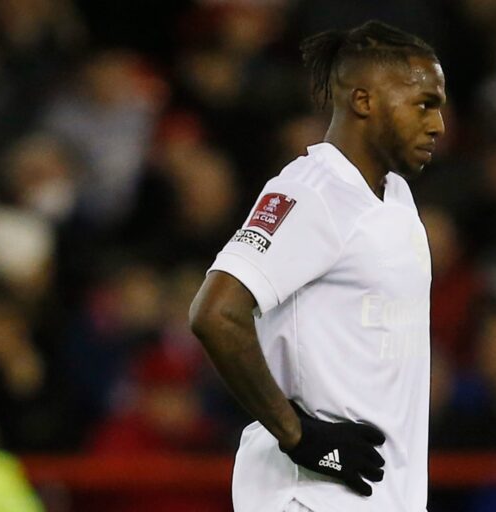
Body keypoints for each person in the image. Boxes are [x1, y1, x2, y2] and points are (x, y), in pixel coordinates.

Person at [188, 20, 445, 512]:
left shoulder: (397, 195)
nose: (437, 125)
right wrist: (299, 435)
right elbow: (216, 313)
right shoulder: (312, 190)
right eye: (424, 104)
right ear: (364, 101)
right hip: (309, 498)